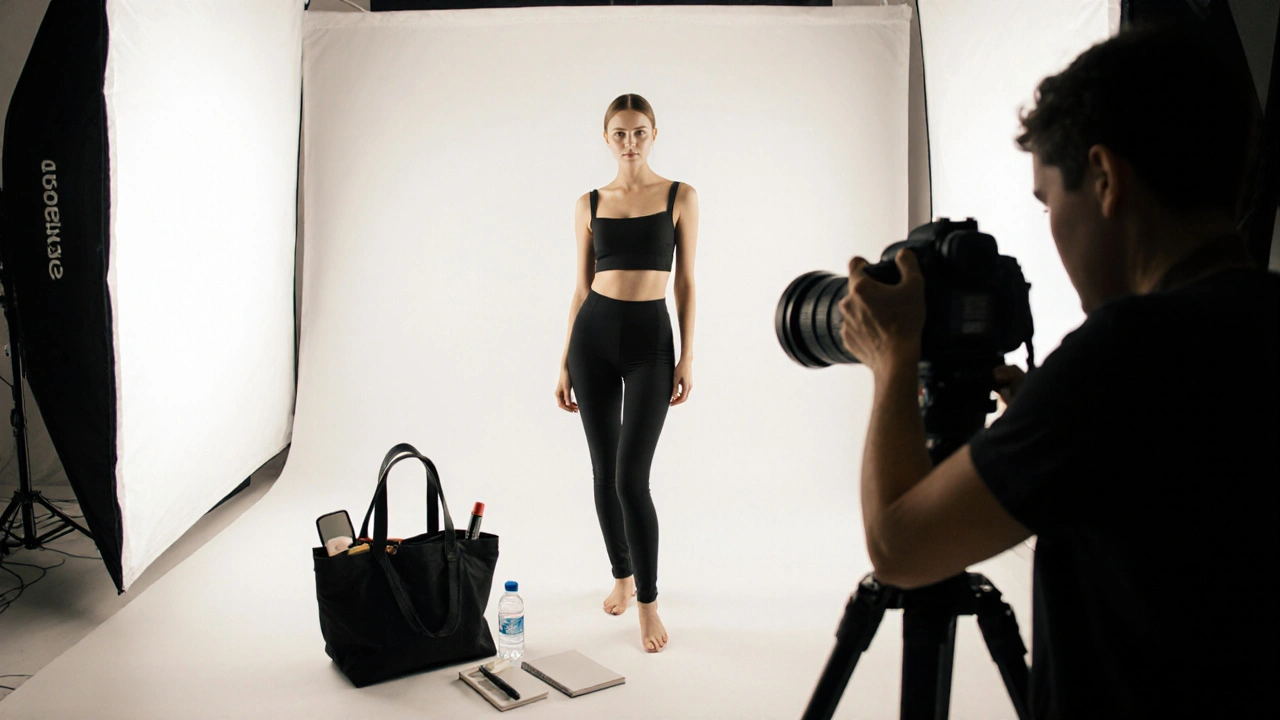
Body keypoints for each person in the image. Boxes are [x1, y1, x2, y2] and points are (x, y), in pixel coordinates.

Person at [837, 23, 1278, 718]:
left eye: (1050, 200)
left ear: (1104, 178)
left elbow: (901, 548)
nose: (1052, 228)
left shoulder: (1123, 357)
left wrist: (892, 356)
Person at [554, 93, 699, 653]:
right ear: (607, 138)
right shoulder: (589, 202)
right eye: (620, 133)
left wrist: (687, 355)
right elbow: (578, 286)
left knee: (629, 478)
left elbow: (686, 282)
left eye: (639, 132)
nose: (630, 142)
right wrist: (564, 358)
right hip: (592, 337)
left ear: (655, 132)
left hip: (650, 344)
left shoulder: (679, 196)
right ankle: (621, 573)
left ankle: (648, 603)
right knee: (601, 469)